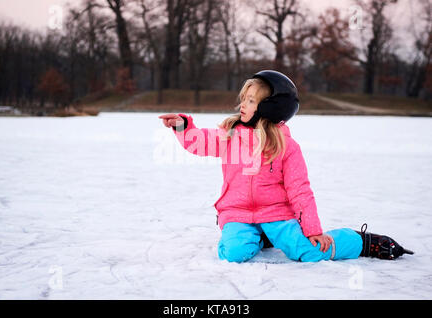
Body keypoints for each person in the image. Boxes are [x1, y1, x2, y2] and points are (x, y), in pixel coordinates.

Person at [158, 70, 413, 263]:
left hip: (276, 213)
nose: (242, 105)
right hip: (237, 213)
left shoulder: (287, 148)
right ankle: (260, 237)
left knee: (308, 252)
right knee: (232, 254)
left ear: (270, 107)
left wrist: (312, 230)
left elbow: (300, 190)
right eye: (243, 99)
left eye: (249, 101)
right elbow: (200, 142)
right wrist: (183, 127)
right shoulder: (230, 135)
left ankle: (359, 242)